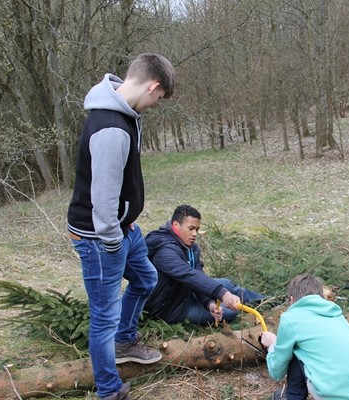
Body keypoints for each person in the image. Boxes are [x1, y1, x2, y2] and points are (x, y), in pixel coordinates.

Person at [67, 53, 175, 399]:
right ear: (153, 86)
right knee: (103, 317)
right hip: (101, 238)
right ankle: (109, 390)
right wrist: (113, 240)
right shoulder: (111, 128)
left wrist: (125, 227)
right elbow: (102, 199)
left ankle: (125, 342)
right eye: (158, 98)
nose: (155, 104)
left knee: (146, 279)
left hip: (123, 228)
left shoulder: (126, 115)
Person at [260, 274, 349, 400]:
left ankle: (293, 397)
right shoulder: (336, 315)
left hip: (332, 394)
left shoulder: (291, 318)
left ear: (292, 300)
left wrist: (272, 345)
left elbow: (276, 372)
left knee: (295, 349)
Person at [144, 204, 265, 325]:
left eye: (196, 229)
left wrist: (209, 303)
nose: (194, 234)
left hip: (185, 292)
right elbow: (189, 275)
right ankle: (237, 303)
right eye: (190, 228)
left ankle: (264, 300)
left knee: (227, 283)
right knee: (230, 312)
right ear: (176, 225)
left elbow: (198, 277)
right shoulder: (164, 252)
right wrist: (223, 294)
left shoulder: (191, 248)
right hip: (171, 308)